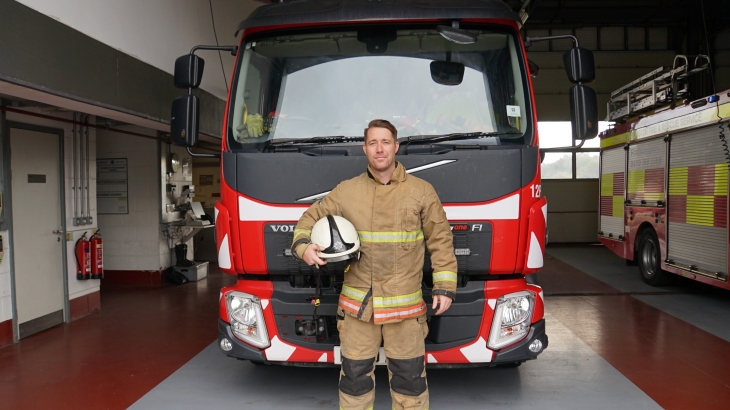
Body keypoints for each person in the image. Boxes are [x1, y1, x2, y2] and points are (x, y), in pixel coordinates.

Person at [290, 119, 457, 410]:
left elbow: (440, 241)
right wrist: (303, 247)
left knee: (410, 382)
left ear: (396, 146)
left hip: (405, 312)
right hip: (358, 312)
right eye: (372, 143)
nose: (379, 149)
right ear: (364, 148)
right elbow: (308, 219)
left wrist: (444, 286)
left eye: (385, 142)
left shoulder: (422, 192)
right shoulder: (346, 191)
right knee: (354, 381)